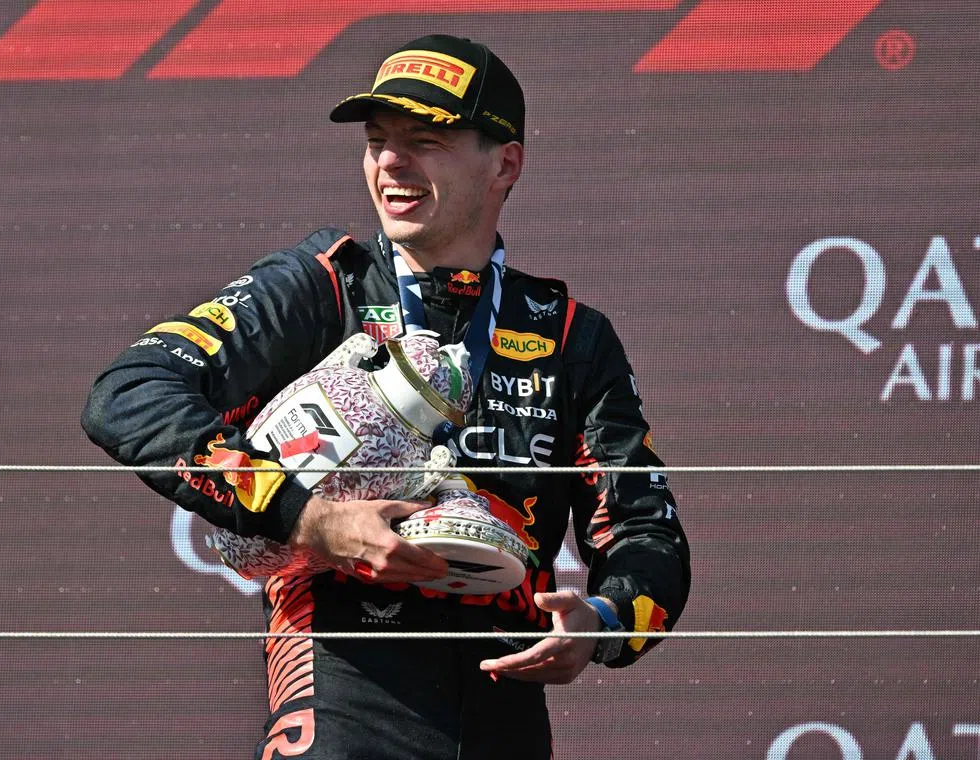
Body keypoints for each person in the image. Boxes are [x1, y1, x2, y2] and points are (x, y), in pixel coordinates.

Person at [82, 33, 690, 760]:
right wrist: (310, 519)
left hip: (505, 717)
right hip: (340, 702)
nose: (390, 163)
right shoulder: (320, 289)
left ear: (505, 163)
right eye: (377, 141)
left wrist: (600, 622)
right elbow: (128, 393)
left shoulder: (567, 335)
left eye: (424, 141)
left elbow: (645, 532)